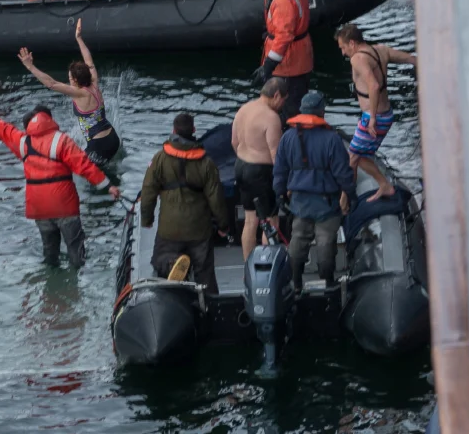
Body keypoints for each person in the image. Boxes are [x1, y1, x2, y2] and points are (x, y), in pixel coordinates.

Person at [0, 103, 120, 268]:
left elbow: (1, 128)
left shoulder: (23, 142)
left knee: (50, 252)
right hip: (64, 206)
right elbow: (84, 166)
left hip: (39, 209)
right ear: (49, 120)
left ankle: (51, 275)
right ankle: (78, 274)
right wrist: (108, 186)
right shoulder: (62, 140)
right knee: (76, 249)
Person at [137, 113, 230, 294]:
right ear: (193, 130)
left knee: (160, 260)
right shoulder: (207, 163)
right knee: (205, 271)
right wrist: (223, 226)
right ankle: (209, 300)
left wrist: (147, 219)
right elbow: (216, 198)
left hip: (169, 230)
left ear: (173, 130)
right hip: (199, 230)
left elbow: (148, 191)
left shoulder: (160, 159)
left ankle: (172, 265)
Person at [273, 92, 357, 290]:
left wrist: (279, 194)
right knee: (325, 242)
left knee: (298, 240)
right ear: (322, 112)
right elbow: (343, 173)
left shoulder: (287, 138)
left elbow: (280, 170)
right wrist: (350, 195)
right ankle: (328, 282)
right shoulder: (332, 139)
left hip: (299, 203)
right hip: (326, 204)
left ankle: (295, 283)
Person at [18, 19, 121, 166]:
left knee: (72, 170)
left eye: (70, 78)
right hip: (112, 138)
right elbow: (89, 61)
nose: (68, 80)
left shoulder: (79, 93)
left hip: (100, 145)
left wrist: (30, 67)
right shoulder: (94, 83)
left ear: (76, 81)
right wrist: (78, 38)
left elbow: (52, 84)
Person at [335, 23, 418, 201]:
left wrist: (372, 118)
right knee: (357, 157)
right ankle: (349, 198)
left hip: (375, 117)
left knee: (355, 157)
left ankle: (360, 196)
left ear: (352, 43)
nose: (342, 52)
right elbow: (411, 59)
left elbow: (373, 85)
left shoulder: (357, 58)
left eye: (343, 47)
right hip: (386, 114)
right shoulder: (381, 50)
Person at [251, 0, 313, 122]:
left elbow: (284, 35)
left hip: (289, 64)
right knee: (295, 103)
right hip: (297, 59)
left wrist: (269, 64)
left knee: (289, 108)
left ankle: (290, 134)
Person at [231, 78, 288, 262]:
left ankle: (248, 267)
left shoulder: (243, 109)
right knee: (271, 221)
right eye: (283, 100)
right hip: (261, 172)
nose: (283, 105)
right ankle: (268, 265)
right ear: (276, 95)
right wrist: (283, 184)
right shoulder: (271, 118)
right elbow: (276, 156)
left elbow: (234, 142)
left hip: (241, 166)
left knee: (250, 221)